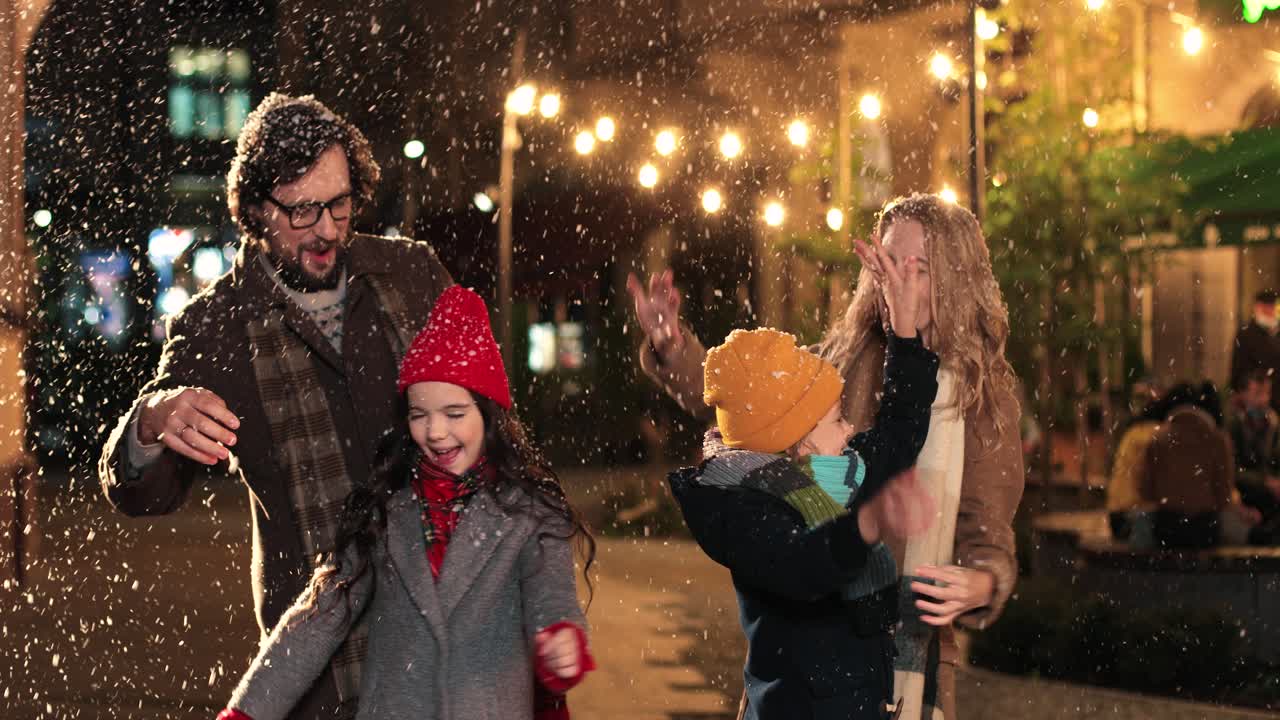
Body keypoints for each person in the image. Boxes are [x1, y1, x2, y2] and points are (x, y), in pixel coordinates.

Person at [98, 93, 454, 718]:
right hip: (320, 680)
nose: (327, 229)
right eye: (302, 210)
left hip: (453, 646)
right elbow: (142, 494)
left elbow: (494, 429)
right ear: (258, 209)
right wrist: (152, 420)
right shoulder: (215, 326)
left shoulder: (414, 275)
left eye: (340, 203)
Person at [628, 193, 1025, 719]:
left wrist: (982, 582)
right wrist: (673, 346)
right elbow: (754, 403)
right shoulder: (844, 358)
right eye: (887, 261)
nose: (898, 280)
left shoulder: (983, 395)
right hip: (811, 654)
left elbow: (988, 530)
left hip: (912, 651)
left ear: (955, 276)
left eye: (919, 268)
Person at [216, 286, 596, 720]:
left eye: (454, 414)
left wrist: (559, 638)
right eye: (419, 415)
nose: (435, 432)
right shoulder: (385, 510)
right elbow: (318, 620)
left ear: (489, 415)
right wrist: (247, 712)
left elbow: (552, 595)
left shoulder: (530, 514)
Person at [668, 240, 939, 719]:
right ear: (799, 443)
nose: (850, 430)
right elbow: (806, 565)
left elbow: (900, 429)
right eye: (836, 420)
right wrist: (866, 524)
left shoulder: (838, 474)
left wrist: (903, 328)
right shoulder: (740, 508)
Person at [1142, 382, 1259, 549]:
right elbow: (1223, 495)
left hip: (1166, 527)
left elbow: (1146, 491)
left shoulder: (1157, 440)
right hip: (1204, 528)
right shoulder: (1217, 440)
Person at [1226, 369, 1280, 543]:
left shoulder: (1273, 422)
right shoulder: (1233, 424)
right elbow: (1230, 470)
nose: (1263, 400)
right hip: (1245, 489)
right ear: (1243, 394)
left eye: (1267, 393)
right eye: (1257, 393)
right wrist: (1264, 481)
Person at [1230, 289, 1280, 411]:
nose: (1270, 311)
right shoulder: (1246, 335)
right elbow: (1238, 370)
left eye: (1272, 307)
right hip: (1257, 401)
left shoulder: (1277, 333)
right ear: (1257, 307)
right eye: (1266, 307)